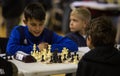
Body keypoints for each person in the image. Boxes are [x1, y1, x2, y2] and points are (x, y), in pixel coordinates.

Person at [6, 2, 78, 55]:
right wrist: (37, 49)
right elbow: (10, 49)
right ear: (25, 22)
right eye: (33, 24)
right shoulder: (18, 31)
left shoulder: (47, 33)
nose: (38, 28)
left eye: (41, 24)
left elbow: (73, 45)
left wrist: (48, 47)